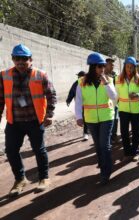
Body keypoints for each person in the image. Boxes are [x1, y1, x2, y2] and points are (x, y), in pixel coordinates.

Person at [0, 44, 57, 196]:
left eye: (24, 59)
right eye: (17, 58)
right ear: (12, 59)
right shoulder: (4, 75)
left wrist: (49, 114)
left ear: (30, 59)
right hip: (14, 122)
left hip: (34, 120)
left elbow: (51, 94)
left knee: (39, 150)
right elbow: (0, 98)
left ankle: (44, 178)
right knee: (11, 151)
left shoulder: (40, 75)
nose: (20, 62)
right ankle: (20, 179)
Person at [75, 53, 116, 185]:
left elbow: (114, 97)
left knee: (105, 145)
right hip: (91, 119)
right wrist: (79, 117)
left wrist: (106, 84)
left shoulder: (108, 79)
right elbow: (78, 101)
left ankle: (105, 172)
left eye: (103, 66)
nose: (102, 69)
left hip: (106, 116)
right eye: (100, 66)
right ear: (92, 67)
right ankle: (102, 162)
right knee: (98, 146)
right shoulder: (82, 82)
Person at [115, 56, 139, 158]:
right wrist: (115, 105)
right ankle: (127, 151)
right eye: (127, 67)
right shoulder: (118, 78)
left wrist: (137, 95)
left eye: (132, 67)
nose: (129, 69)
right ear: (124, 67)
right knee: (124, 131)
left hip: (137, 109)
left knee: (135, 131)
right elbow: (116, 94)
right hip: (123, 109)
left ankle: (135, 150)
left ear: (135, 68)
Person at [66, 71, 89, 141]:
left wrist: (68, 100)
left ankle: (87, 132)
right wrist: (68, 100)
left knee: (87, 119)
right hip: (80, 105)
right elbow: (72, 92)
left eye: (80, 76)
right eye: (79, 77)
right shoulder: (76, 83)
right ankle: (86, 133)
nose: (79, 78)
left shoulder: (88, 82)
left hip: (89, 105)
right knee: (85, 119)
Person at [104, 57, 119, 142]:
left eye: (113, 65)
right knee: (108, 121)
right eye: (110, 65)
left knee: (116, 119)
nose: (112, 66)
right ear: (105, 65)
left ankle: (114, 136)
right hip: (106, 102)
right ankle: (108, 138)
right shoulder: (101, 75)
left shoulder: (115, 75)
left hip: (115, 101)